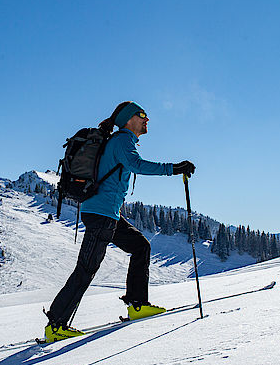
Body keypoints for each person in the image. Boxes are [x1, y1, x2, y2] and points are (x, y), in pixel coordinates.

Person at [43, 101, 196, 343]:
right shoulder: (122, 140)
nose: (147, 120)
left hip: (108, 214)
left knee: (140, 246)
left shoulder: (119, 141)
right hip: (102, 215)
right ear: (128, 119)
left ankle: (137, 304)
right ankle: (56, 324)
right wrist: (174, 169)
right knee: (86, 268)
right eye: (142, 115)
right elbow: (137, 165)